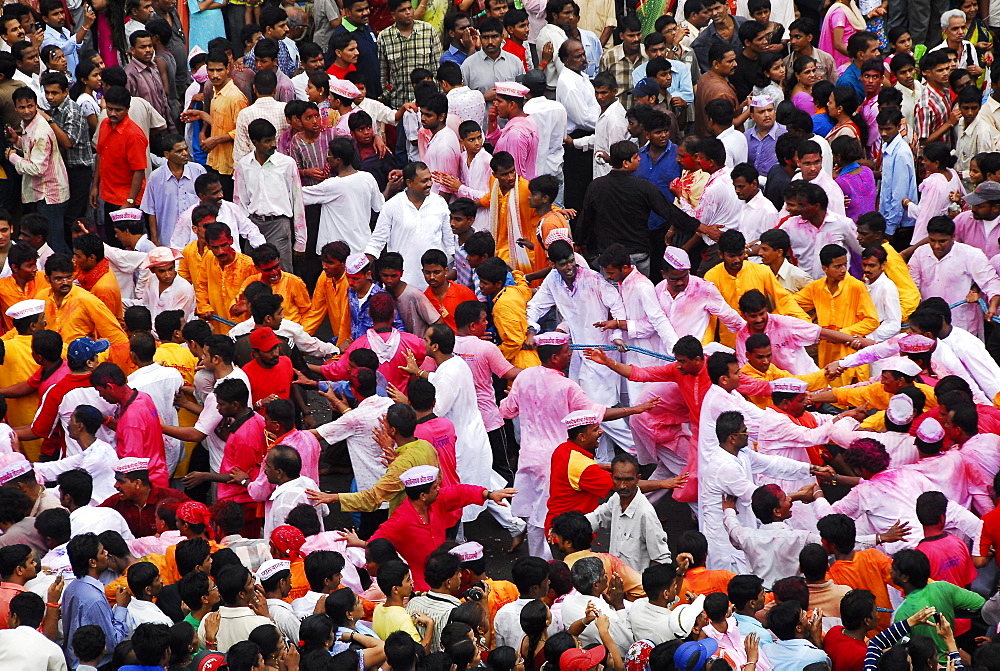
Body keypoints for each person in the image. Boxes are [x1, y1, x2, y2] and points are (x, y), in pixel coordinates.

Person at [365, 162, 453, 291]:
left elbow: (449, 241)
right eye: (424, 181)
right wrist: (361, 269)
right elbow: (376, 242)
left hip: (433, 283)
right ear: (409, 183)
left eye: (430, 179)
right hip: (402, 283)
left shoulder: (439, 202)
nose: (429, 184)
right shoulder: (392, 205)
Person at [910, 216, 1000, 338]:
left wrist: (993, 306)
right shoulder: (920, 253)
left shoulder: (971, 254)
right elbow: (911, 286)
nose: (936, 246)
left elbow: (991, 282)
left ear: (953, 237)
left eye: (942, 241)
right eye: (932, 240)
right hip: (929, 325)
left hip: (962, 324)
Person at [585, 453, 670, 572]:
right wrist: (564, 527)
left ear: (638, 479)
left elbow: (661, 559)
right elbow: (596, 518)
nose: (622, 486)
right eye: (618, 479)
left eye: (628, 480)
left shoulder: (646, 514)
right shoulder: (615, 499)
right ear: (611, 478)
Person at [62, 533, 131, 668]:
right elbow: (112, 644)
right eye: (102, 552)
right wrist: (121, 607)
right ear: (92, 562)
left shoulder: (71, 588)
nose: (106, 553)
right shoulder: (94, 600)